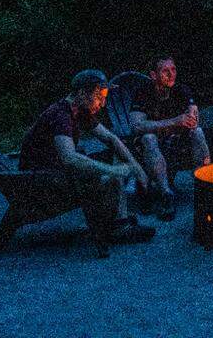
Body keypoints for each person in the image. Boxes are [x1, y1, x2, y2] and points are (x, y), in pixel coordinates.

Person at [20, 69, 155, 255]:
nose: (102, 103)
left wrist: (137, 168)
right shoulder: (61, 115)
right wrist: (112, 171)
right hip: (42, 179)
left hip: (56, 172)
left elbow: (111, 139)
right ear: (83, 93)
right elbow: (69, 157)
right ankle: (119, 227)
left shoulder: (79, 111)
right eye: (99, 97)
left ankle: (119, 222)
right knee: (110, 172)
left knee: (115, 156)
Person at [128, 56, 211, 221]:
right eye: (165, 71)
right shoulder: (143, 92)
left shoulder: (181, 90)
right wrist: (174, 122)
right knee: (149, 138)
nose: (171, 74)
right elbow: (136, 126)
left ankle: (206, 187)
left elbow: (193, 115)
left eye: (173, 70)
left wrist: (191, 118)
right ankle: (166, 194)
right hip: (149, 145)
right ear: (153, 75)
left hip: (176, 141)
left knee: (198, 132)